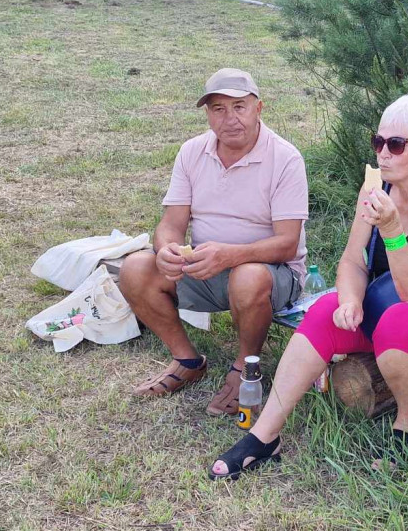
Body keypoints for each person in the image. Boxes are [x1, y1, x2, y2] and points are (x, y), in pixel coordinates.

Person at [207, 92, 408, 480]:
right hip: (392, 304)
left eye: (395, 144)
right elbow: (353, 259)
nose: (383, 153)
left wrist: (391, 230)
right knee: (325, 311)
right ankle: (265, 434)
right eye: (379, 142)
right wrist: (351, 299)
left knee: (400, 320)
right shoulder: (377, 188)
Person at [119, 68, 309, 417]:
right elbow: (171, 224)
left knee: (248, 276)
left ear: (259, 108)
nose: (229, 119)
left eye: (239, 107)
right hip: (207, 265)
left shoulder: (285, 158)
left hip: (272, 274)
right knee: (135, 268)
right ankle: (187, 360)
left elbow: (287, 244)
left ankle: (244, 370)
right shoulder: (192, 151)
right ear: (208, 114)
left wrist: (231, 256)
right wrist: (166, 251)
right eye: (218, 109)